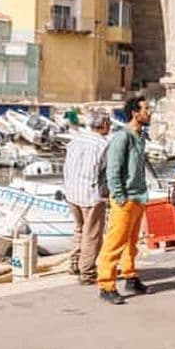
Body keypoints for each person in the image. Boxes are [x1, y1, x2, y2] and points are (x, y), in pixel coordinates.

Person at [96, 96, 153, 305]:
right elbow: (113, 169)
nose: (149, 113)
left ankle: (130, 276)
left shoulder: (140, 136)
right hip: (125, 198)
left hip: (138, 197)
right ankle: (106, 285)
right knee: (114, 243)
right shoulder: (122, 137)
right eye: (146, 109)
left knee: (131, 243)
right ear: (135, 114)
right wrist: (119, 196)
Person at [63, 110, 112, 284]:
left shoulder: (75, 140)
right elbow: (106, 172)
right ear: (104, 125)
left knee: (79, 229)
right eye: (109, 124)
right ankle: (87, 272)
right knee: (92, 234)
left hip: (71, 191)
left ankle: (74, 263)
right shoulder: (103, 145)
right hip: (91, 194)